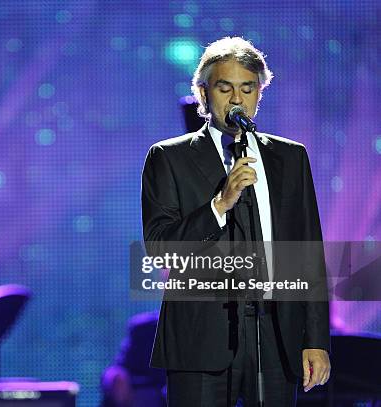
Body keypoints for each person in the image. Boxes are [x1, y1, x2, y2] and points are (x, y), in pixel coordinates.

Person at [141, 37, 330, 406]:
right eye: (225, 88)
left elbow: (309, 254)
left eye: (248, 88)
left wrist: (316, 340)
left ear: (260, 92)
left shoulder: (290, 158)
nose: (237, 99)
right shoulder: (168, 157)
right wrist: (219, 204)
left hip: (276, 333)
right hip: (199, 337)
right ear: (203, 93)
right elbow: (161, 248)